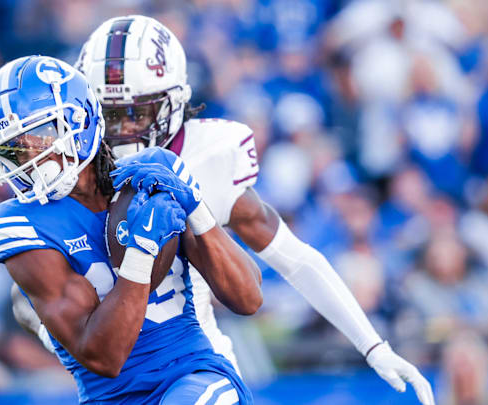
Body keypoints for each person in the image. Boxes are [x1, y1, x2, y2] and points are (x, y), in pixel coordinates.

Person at [70, 15, 433, 404]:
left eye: (137, 113)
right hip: (111, 381)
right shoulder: (67, 169)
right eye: (109, 115)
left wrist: (372, 346)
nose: (123, 130)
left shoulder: (206, 157)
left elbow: (294, 259)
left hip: (192, 370)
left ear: (173, 104)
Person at [0, 55, 262, 404]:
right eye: (14, 150)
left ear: (79, 121)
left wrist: (197, 211)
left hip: (191, 376)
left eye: (39, 137)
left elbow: (248, 299)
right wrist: (141, 254)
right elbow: (104, 357)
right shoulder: (20, 223)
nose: (30, 160)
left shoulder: (154, 171)